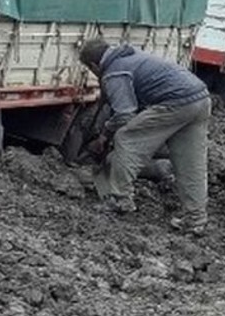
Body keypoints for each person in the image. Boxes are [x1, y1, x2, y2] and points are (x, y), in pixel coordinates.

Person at [79, 37, 212, 233]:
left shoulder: (114, 73)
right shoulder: (131, 56)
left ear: (93, 66)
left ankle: (120, 200)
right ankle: (195, 219)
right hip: (200, 98)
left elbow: (125, 113)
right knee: (191, 162)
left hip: (176, 102)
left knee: (126, 138)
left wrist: (105, 134)